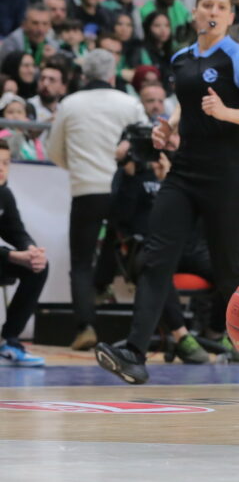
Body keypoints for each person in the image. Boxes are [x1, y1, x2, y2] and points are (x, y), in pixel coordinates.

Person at [94, 0, 239, 387]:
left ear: (230, 16)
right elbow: (187, 102)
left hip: (227, 178)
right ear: (194, 11)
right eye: (206, 5)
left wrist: (227, 112)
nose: (213, 11)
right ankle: (134, 353)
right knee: (154, 258)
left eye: (221, 6)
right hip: (183, 173)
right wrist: (169, 128)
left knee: (228, 271)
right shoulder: (181, 59)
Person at [47, 49, 148, 351]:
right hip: (123, 189)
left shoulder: (69, 104)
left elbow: (54, 151)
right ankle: (109, 293)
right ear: (111, 74)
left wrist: (77, 168)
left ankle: (85, 326)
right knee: (125, 248)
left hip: (86, 188)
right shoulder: (129, 103)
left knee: (81, 261)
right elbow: (144, 143)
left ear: (83, 75)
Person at [0, 138, 48, 367]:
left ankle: (9, 341)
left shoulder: (4, 195)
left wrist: (31, 251)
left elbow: (16, 232)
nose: (1, 168)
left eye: (5, 163)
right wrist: (11, 256)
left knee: (38, 268)